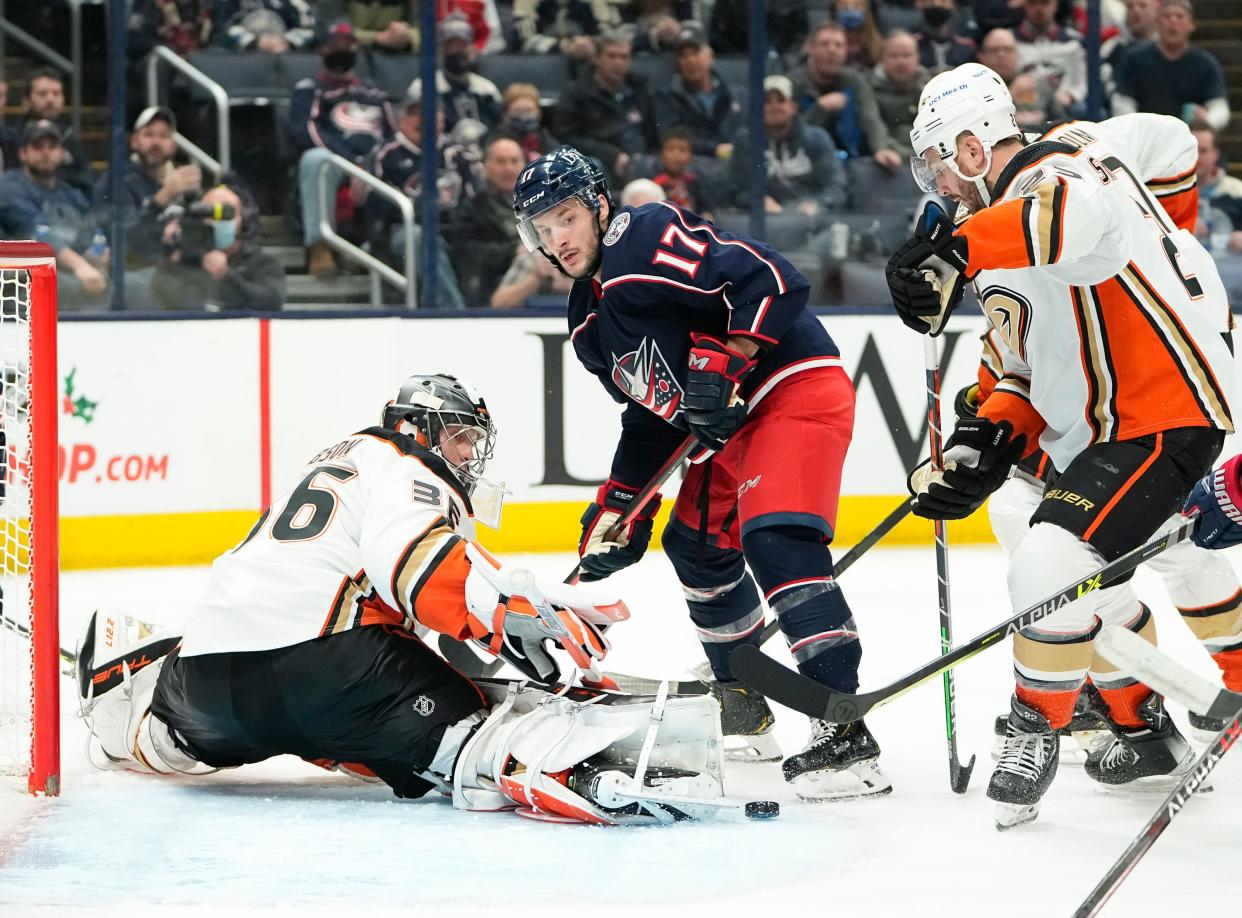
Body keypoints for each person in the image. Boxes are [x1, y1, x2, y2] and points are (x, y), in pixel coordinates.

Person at [75, 373, 742, 825]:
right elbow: (411, 563)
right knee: (475, 734)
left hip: (207, 683)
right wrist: (502, 613)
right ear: (419, 427)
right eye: (459, 436)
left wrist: (479, 628)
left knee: (177, 735)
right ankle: (584, 768)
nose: (468, 453)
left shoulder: (335, 463)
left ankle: (132, 712)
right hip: (328, 669)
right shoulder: (408, 463)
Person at [886, 64, 1234, 829]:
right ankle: (1135, 719)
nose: (938, 186)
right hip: (1103, 431)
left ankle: (1039, 725)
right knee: (1057, 543)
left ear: (974, 149)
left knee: (1053, 558)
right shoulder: (999, 250)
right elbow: (1015, 367)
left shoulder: (1063, 161)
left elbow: (1078, 215)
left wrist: (1170, 233)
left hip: (1164, 413)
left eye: (940, 163)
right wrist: (984, 445)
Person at [512, 146, 890, 802]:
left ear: (600, 205)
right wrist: (619, 509)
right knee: (694, 546)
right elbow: (656, 420)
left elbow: (770, 278)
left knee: (774, 538)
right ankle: (743, 700)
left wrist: (725, 361)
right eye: (541, 231)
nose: (557, 240)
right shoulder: (586, 321)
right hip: (731, 429)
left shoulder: (643, 235)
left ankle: (845, 730)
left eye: (566, 217)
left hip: (789, 386)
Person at [288, 22, 396, 277]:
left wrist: (370, 164)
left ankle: (373, 251)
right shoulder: (309, 89)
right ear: (323, 50)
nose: (342, 49)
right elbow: (306, 131)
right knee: (315, 160)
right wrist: (351, 164)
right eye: (336, 45)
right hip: (337, 163)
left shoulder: (373, 92)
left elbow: (393, 133)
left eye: (348, 45)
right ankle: (320, 245)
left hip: (374, 163)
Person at [367, 93, 476, 307]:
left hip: (453, 227)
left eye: (432, 113)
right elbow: (378, 205)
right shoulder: (386, 154)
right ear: (402, 120)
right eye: (416, 114)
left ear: (442, 120)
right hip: (404, 229)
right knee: (420, 238)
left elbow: (474, 198)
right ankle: (453, 313)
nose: (424, 120)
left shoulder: (458, 155)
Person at [0, 120, 109, 310]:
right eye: (38, 146)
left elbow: (94, 230)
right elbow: (36, 235)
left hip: (68, 272)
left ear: (61, 154)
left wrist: (98, 258)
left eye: (52, 147)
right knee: (67, 287)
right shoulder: (8, 188)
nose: (46, 153)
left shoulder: (71, 194)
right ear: (23, 153)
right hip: (20, 279)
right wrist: (81, 267)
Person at [149, 175, 286, 310]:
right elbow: (157, 299)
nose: (217, 221)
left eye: (227, 214)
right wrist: (170, 257)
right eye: (209, 213)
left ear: (243, 220)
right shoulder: (184, 257)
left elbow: (272, 302)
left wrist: (227, 276)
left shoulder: (261, 262)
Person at [92, 106, 204, 272]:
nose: (156, 142)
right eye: (149, 134)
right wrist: (164, 196)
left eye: (164, 136)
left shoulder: (180, 183)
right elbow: (126, 242)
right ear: (135, 141)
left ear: (173, 145)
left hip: (175, 272)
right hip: (132, 274)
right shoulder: (116, 181)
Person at [728, 74, 847, 217]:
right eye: (767, 102)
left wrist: (818, 204)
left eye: (781, 101)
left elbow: (836, 185)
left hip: (810, 221)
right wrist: (758, 201)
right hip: (762, 222)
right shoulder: (746, 141)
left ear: (793, 107)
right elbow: (735, 189)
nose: (774, 107)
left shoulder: (817, 138)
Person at [789, 21, 902, 171]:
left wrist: (880, 148)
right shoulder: (793, 83)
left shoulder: (855, 80)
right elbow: (791, 134)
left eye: (838, 45)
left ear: (846, 51)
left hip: (851, 161)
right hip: (805, 163)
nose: (832, 50)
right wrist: (820, 108)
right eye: (825, 44)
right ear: (811, 48)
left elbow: (871, 118)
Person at [554, 31, 659, 190]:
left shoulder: (639, 88)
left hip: (642, 159)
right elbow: (566, 136)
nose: (618, 62)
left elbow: (653, 132)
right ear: (597, 58)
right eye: (612, 56)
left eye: (624, 57)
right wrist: (612, 155)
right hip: (602, 160)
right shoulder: (578, 92)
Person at [1113, 0, 1229, 131]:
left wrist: (1206, 120)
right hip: (1145, 136)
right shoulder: (1134, 58)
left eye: (1179, 16)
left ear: (1191, 25)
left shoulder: (1206, 63)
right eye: (1167, 16)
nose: (1173, 21)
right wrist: (1136, 128)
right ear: (1157, 23)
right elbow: (1122, 102)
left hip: (1189, 137)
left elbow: (1219, 107)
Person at [445, 133, 526, 305]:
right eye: (501, 162)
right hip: (493, 284)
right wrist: (514, 252)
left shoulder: (543, 206)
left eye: (514, 161)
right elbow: (468, 253)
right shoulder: (471, 209)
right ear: (485, 166)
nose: (508, 168)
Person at [651, 22, 743, 163]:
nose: (690, 60)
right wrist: (714, 149)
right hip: (690, 164)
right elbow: (671, 138)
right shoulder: (666, 97)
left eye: (696, 52)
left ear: (710, 55)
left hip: (735, 162)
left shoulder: (736, 94)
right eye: (683, 55)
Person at [406, 15, 504, 133]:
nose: (457, 52)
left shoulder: (487, 89)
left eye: (462, 46)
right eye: (451, 46)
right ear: (441, 51)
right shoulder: (423, 87)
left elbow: (499, 126)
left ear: (472, 49)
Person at [17, 67, 93, 199]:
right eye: (42, 94)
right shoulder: (11, 139)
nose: (50, 99)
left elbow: (86, 186)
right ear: (26, 101)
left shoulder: (70, 139)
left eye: (56, 93)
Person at [977, 27, 1067, 128]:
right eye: (994, 50)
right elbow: (981, 127)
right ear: (982, 56)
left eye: (1007, 49)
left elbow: (1062, 123)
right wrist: (1011, 95)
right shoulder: (976, 88)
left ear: (1017, 54)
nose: (1001, 55)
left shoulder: (1039, 83)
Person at [867, 31, 931, 159]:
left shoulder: (930, 85)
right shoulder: (868, 86)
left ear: (917, 57)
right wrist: (884, 149)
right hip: (890, 155)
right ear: (882, 58)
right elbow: (872, 123)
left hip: (928, 153)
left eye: (907, 55)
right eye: (894, 56)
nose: (901, 61)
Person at [1013, 0, 1087, 111]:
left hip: (1062, 102)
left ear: (1056, 5)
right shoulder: (1010, 40)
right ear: (1024, 6)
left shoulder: (1073, 41)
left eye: (1045, 2)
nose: (1039, 9)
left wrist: (1071, 96)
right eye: (1032, 3)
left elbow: (1081, 82)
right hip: (1023, 101)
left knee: (1081, 110)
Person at [1190, 120, 1242, 255]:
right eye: (1190, 150)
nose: (1196, 157)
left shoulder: (1236, 191)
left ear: (1216, 154)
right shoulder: (1164, 192)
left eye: (1203, 150)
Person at [651, 127, 714, 220]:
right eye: (671, 149)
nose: (676, 154)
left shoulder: (693, 182)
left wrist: (708, 215)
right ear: (662, 155)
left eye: (682, 150)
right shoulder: (655, 184)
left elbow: (706, 207)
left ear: (691, 157)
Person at [216, 0, 318, 53]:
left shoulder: (294, 2)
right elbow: (224, 26)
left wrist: (288, 42)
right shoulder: (229, 2)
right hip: (241, 56)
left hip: (284, 56)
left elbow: (309, 28)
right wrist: (254, 42)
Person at [498, 83, 558, 163]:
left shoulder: (547, 141)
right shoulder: (496, 143)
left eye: (528, 111)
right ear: (505, 115)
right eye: (517, 111)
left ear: (539, 113)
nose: (524, 116)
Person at [913, 0, 977, 73]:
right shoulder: (912, 47)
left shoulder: (966, 48)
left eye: (943, 1)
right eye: (931, 1)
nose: (936, 4)